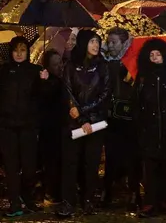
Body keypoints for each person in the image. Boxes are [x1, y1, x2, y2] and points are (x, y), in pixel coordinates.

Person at [57, 30, 111, 218]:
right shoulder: (70, 66)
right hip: (73, 124)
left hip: (95, 124)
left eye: (97, 41)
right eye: (91, 41)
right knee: (70, 164)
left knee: (91, 163)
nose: (96, 45)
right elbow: (68, 93)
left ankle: (88, 199)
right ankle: (68, 202)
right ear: (83, 44)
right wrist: (80, 119)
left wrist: (87, 118)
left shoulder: (103, 67)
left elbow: (104, 95)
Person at [133, 39, 166, 218]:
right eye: (152, 55)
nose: (155, 58)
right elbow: (136, 102)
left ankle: (163, 201)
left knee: (164, 166)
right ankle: (149, 202)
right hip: (148, 127)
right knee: (149, 168)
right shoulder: (142, 77)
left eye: (158, 54)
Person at [0, 37, 49, 217]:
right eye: (16, 50)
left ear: (28, 52)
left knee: (29, 167)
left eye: (23, 49)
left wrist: (44, 80)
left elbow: (44, 97)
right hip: (7, 127)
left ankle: (27, 198)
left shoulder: (35, 71)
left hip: (28, 126)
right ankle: (14, 203)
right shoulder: (4, 71)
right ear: (11, 52)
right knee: (11, 167)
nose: (19, 53)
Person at [101, 28, 142, 211]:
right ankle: (107, 191)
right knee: (111, 156)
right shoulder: (105, 62)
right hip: (111, 116)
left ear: (124, 43)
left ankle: (134, 192)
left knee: (132, 157)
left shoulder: (133, 63)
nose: (110, 46)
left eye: (114, 42)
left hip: (130, 117)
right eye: (108, 42)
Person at [39, 50, 65, 206]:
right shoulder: (47, 81)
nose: (59, 66)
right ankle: (51, 191)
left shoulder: (64, 79)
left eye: (60, 62)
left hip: (62, 126)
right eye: (55, 64)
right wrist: (44, 82)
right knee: (51, 162)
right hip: (49, 128)